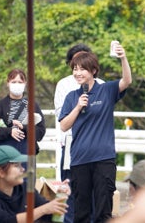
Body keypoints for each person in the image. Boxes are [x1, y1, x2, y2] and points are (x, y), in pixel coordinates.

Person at [59, 45, 133, 223]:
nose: (78, 73)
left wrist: (123, 58)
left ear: (93, 70)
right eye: (75, 69)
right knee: (81, 213)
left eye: (82, 69)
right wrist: (77, 107)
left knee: (103, 212)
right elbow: (63, 126)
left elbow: (127, 81)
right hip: (79, 160)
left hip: (103, 159)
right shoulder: (71, 97)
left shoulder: (106, 90)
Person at [0, 144, 67, 223]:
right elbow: (7, 221)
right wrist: (44, 209)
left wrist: (60, 198)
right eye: (16, 166)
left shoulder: (24, 188)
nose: (22, 169)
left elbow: (48, 214)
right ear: (0, 172)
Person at [55, 44, 93, 223]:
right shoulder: (64, 84)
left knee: (93, 195)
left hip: (94, 149)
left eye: (83, 62)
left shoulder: (100, 85)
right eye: (75, 64)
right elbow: (61, 118)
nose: (79, 68)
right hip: (71, 146)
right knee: (71, 193)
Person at [0, 70, 47, 155]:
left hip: (26, 153)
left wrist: (23, 127)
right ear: (8, 83)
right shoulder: (0, 105)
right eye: (13, 82)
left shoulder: (32, 105)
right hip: (3, 154)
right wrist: (10, 131)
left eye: (20, 82)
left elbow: (40, 132)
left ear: (25, 83)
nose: (17, 84)